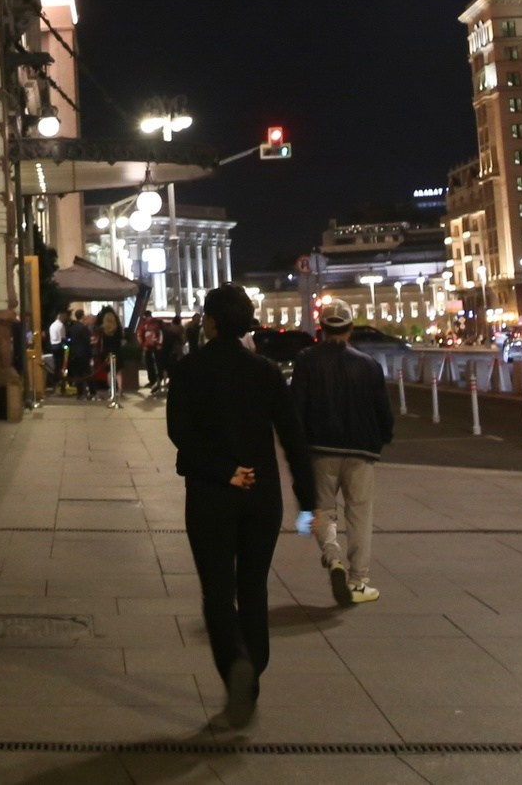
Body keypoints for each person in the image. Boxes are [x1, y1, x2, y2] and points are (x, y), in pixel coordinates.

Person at [166, 284, 310, 729]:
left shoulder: (189, 370)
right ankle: (254, 668)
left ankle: (235, 667)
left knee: (216, 592)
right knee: (253, 589)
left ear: (209, 322)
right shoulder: (266, 372)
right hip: (261, 497)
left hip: (211, 496)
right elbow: (292, 436)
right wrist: (309, 501)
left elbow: (179, 432)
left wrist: (221, 469)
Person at [291, 299, 394, 607]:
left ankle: (332, 556)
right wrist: (381, 440)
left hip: (321, 448)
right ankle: (359, 581)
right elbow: (383, 413)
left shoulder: (307, 359)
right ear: (350, 330)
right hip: (362, 450)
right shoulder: (369, 365)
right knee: (360, 514)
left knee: (322, 510)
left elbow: (297, 405)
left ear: (321, 330)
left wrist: (297, 443)